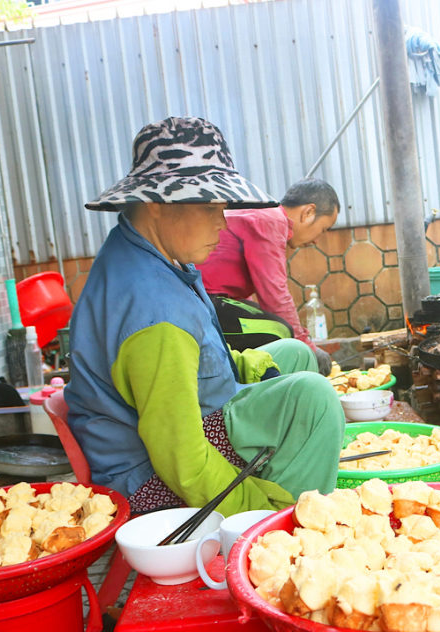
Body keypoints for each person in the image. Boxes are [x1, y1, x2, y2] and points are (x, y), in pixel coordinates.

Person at [64, 117, 344, 516]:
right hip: (148, 478)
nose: (222, 222)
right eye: (211, 207)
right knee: (313, 399)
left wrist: (256, 366)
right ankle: (290, 529)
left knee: (292, 355)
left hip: (180, 423)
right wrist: (258, 510)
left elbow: (204, 360)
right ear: (156, 204)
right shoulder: (154, 312)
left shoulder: (147, 255)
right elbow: (182, 458)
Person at [198, 178, 340, 373]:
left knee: (269, 322)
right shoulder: (270, 220)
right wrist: (309, 348)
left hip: (210, 299)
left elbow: (246, 301)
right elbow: (275, 296)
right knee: (281, 330)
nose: (317, 240)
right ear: (308, 212)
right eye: (323, 230)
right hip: (202, 302)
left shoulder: (263, 215)